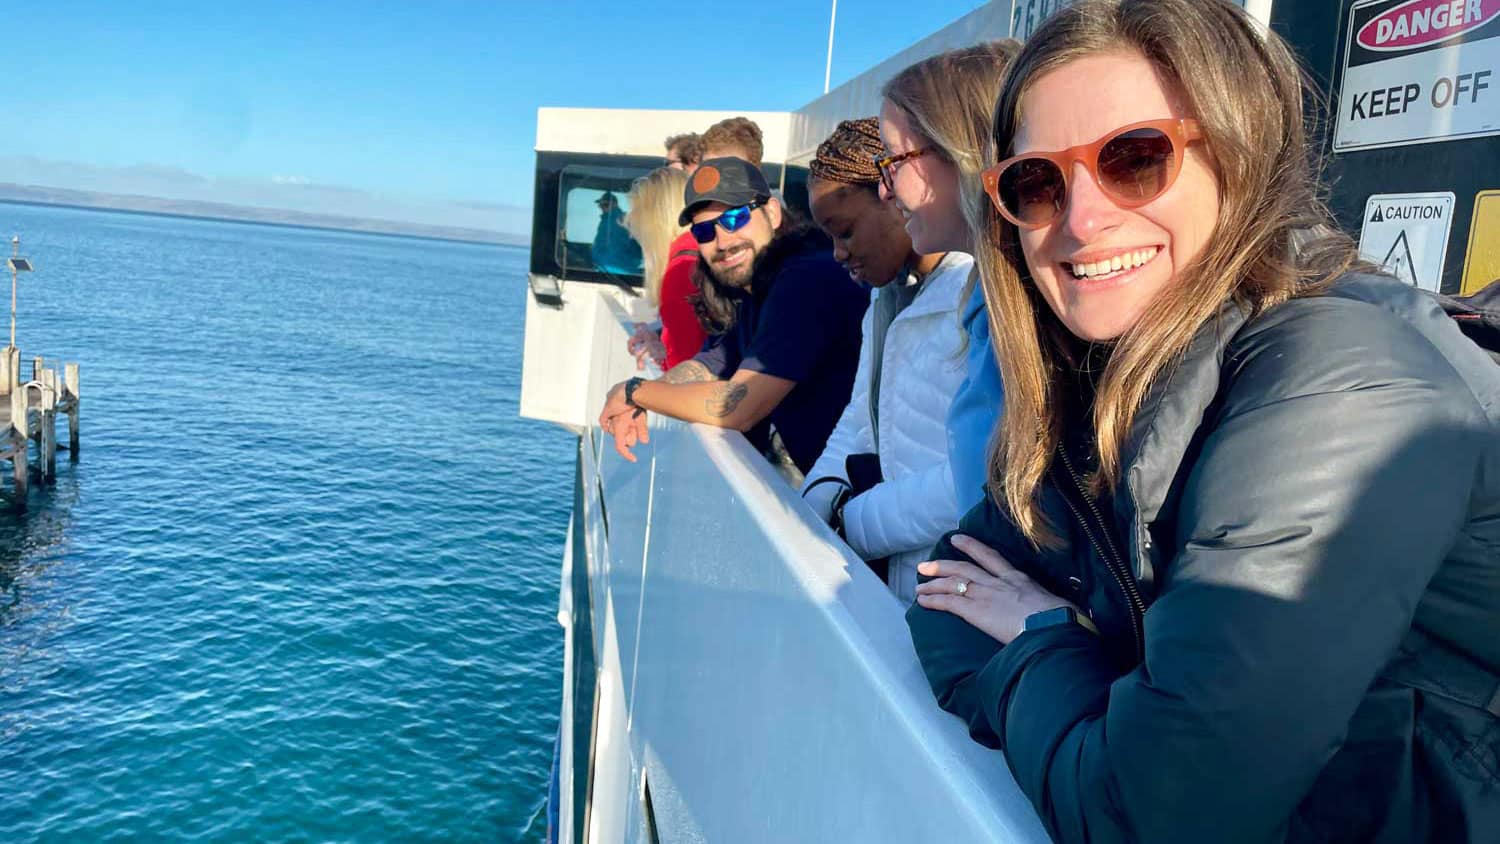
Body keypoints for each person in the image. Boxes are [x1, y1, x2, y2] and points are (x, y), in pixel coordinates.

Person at [906, 2, 1500, 841]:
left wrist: (1041, 638)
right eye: (1037, 183)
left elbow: (1152, 814)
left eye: (1135, 159)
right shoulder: (1104, 374)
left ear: (1239, 154)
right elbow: (945, 597)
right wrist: (1093, 695)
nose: (1080, 221)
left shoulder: (1340, 386)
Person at [597, 157, 868, 476]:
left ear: (772, 213)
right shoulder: (754, 286)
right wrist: (645, 398)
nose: (722, 241)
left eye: (736, 218)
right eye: (704, 231)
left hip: (865, 500)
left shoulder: (806, 279)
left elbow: (738, 406)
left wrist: (634, 391)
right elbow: (711, 361)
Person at [799, 118, 973, 603]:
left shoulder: (974, 297)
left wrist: (854, 523)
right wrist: (814, 502)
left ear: (893, 194)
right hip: (902, 583)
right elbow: (860, 415)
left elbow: (977, 478)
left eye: (845, 231)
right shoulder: (886, 299)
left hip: (953, 595)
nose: (837, 253)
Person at [876, 40, 1021, 514]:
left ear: (963, 151)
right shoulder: (988, 299)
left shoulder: (1043, 313)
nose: (883, 189)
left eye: (893, 161)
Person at [622, 167, 707, 370]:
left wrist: (664, 358)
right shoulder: (698, 250)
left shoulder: (681, 271)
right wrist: (660, 336)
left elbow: (684, 375)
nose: (634, 231)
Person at [590, 191, 642, 275]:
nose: (602, 208)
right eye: (600, 205)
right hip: (607, 270)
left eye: (605, 205)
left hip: (611, 271)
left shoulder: (620, 221)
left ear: (615, 205)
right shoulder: (608, 221)